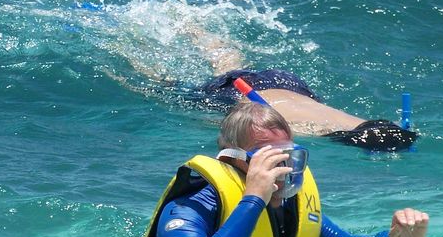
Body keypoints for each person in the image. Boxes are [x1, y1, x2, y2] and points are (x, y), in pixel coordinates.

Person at [145, 101, 429, 237]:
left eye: (291, 157)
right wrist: (254, 199)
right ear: (234, 160)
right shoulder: (193, 205)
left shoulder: (294, 204)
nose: (284, 170)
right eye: (269, 158)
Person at [128, 26, 418, 151]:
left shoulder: (367, 126)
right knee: (164, 88)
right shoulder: (318, 132)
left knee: (227, 63)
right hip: (245, 96)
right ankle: (130, 51)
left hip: (290, 85)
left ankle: (197, 30)